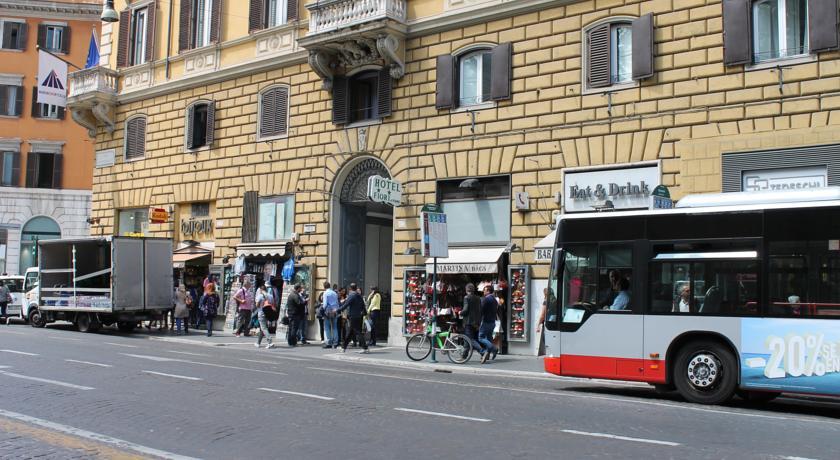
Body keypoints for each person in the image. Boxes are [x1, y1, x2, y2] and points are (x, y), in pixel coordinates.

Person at [338, 283, 369, 354]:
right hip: (358, 316)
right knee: (351, 332)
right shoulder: (359, 295)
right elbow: (363, 305)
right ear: (356, 288)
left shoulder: (352, 296)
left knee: (357, 332)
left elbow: (346, 304)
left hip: (353, 316)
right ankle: (344, 347)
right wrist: (365, 314)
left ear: (350, 289)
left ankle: (365, 348)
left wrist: (338, 310)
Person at [478, 285, 499, 364]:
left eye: (485, 290)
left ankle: (493, 348)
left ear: (488, 291)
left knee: (481, 337)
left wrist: (479, 319)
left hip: (486, 321)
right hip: (492, 322)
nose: (483, 292)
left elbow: (481, 310)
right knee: (489, 338)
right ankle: (487, 354)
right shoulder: (495, 300)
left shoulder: (486, 299)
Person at [460, 283, 483, 354]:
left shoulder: (466, 297)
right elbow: (480, 310)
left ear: (466, 289)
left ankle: (482, 351)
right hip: (476, 322)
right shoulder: (478, 298)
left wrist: (460, 312)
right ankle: (464, 355)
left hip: (468, 322)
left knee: (469, 339)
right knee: (469, 339)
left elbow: (466, 309)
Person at [254, 282, 275, 349]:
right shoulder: (271, 296)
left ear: (260, 290)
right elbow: (273, 304)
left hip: (261, 313)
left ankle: (270, 342)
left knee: (264, 328)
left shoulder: (260, 296)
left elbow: (257, 305)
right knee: (263, 328)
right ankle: (258, 342)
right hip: (268, 313)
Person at [321, 282, 340, 348]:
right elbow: (337, 303)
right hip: (335, 311)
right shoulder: (334, 293)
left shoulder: (325, 293)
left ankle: (328, 343)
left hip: (328, 312)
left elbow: (325, 304)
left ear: (324, 287)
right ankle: (335, 343)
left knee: (327, 327)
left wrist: (322, 310)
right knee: (335, 327)